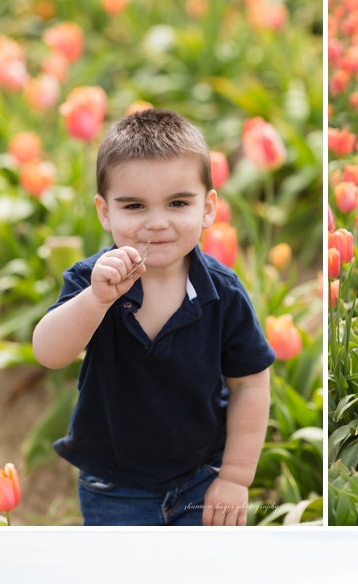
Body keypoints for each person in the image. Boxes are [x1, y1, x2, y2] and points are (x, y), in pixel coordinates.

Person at [32, 108, 275, 525]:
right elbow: (48, 353)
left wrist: (236, 476)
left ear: (208, 208)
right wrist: (95, 300)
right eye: (134, 206)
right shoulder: (92, 281)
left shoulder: (224, 292)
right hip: (113, 484)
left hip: (202, 476)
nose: (156, 223)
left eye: (178, 202)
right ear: (105, 211)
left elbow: (250, 383)